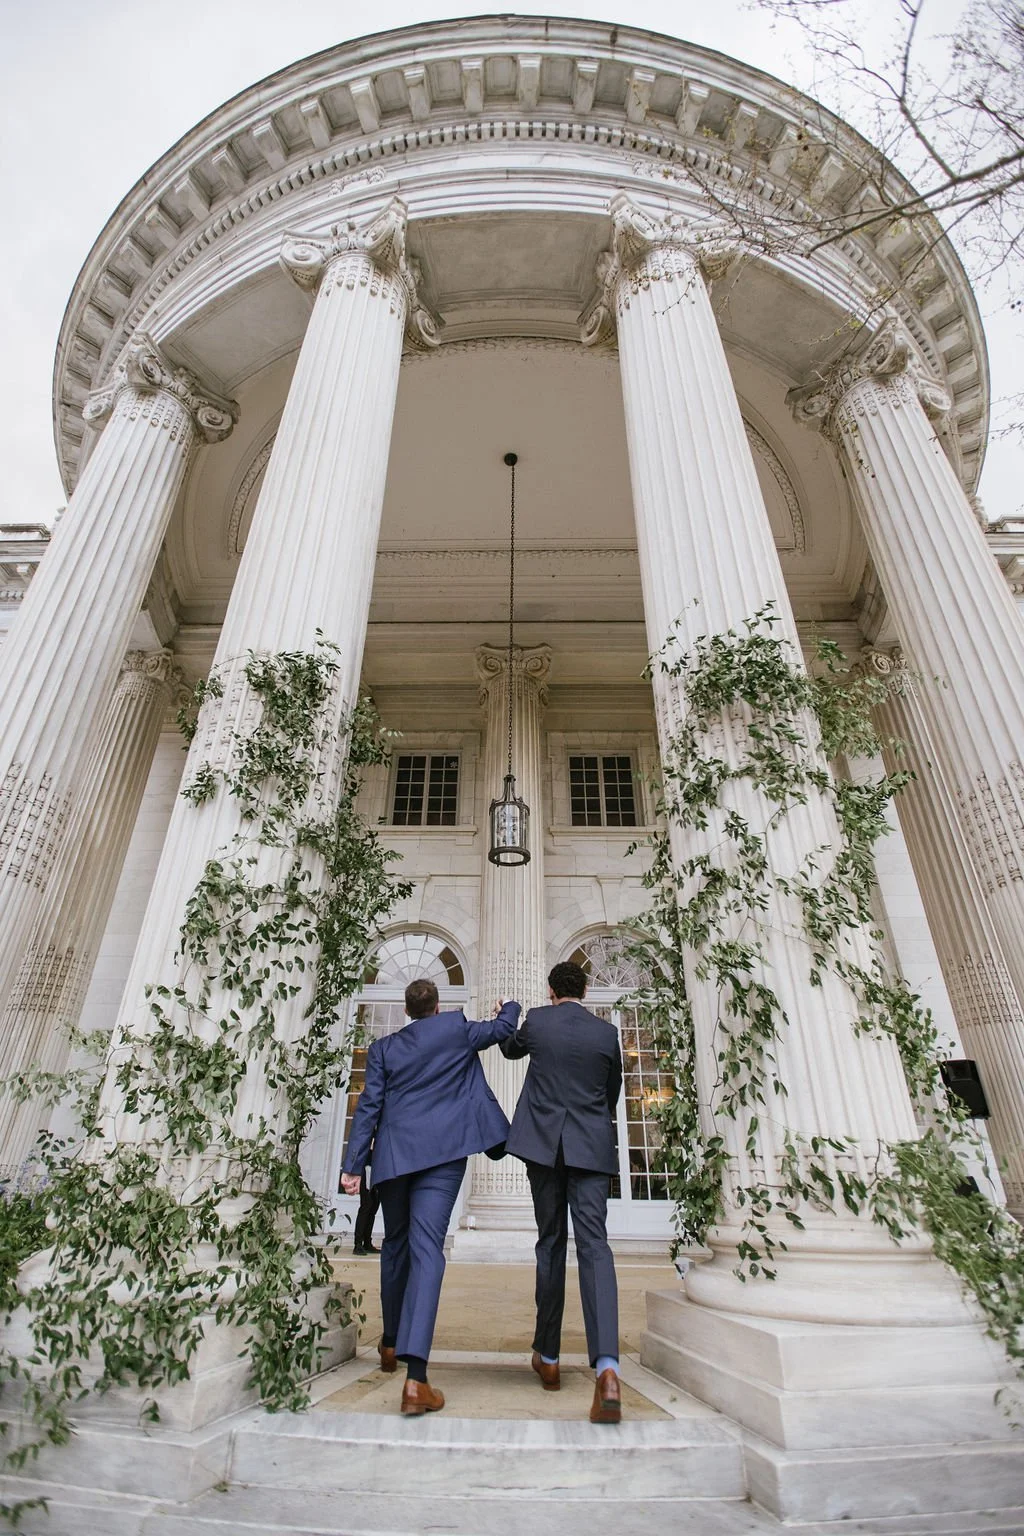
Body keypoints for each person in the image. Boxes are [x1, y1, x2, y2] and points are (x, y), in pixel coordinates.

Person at [341, 979, 520, 1415]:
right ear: (437, 1007)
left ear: (407, 1012)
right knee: (426, 1250)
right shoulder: (456, 1029)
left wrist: (351, 1166)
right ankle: (416, 1378)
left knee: (395, 1247)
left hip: (395, 1157)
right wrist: (510, 1005)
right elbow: (501, 1030)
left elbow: (368, 1105)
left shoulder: (384, 1049)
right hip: (443, 1156)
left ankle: (390, 1343)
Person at [501, 959, 623, 1423]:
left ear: (550, 989)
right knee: (595, 1248)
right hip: (590, 1148)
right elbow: (610, 1093)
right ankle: (607, 1368)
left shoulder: (538, 1020)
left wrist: (506, 1013)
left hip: (544, 1149)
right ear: (586, 991)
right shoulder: (605, 1033)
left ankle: (548, 1358)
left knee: (550, 1245)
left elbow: (511, 1050)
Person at [351, 1153, 380, 1255]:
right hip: (366, 1169)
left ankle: (367, 1243)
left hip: (378, 1170)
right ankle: (358, 1244)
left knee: (373, 1208)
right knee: (366, 1206)